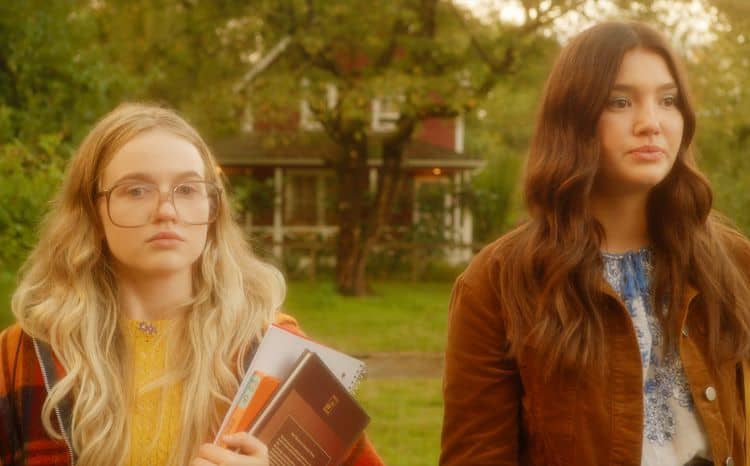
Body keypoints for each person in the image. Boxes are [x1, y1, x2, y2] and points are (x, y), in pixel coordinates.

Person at [0, 103, 383, 466]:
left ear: (213, 210)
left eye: (186, 189)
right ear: (92, 212)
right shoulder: (23, 355)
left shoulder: (279, 354)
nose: (166, 211)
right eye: (136, 190)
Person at [441, 21, 750, 466]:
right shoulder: (498, 283)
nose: (650, 123)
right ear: (575, 118)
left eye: (667, 100)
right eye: (620, 102)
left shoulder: (727, 260)